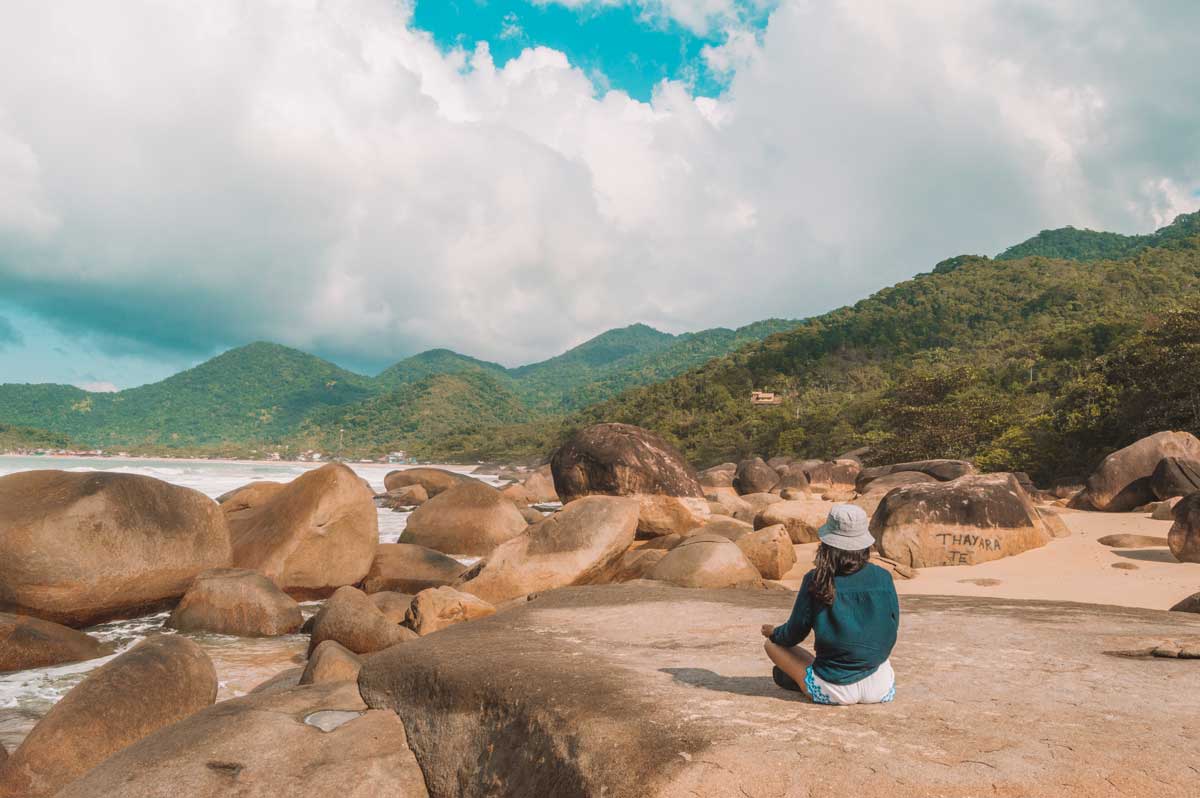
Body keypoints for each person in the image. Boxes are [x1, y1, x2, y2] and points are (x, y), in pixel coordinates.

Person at [761, 503, 899, 705]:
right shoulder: (884, 577)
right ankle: (805, 677)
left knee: (772, 645)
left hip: (834, 689)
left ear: (827, 543)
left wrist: (773, 633)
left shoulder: (816, 579)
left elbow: (793, 634)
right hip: (879, 685)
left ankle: (801, 680)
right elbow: (892, 627)